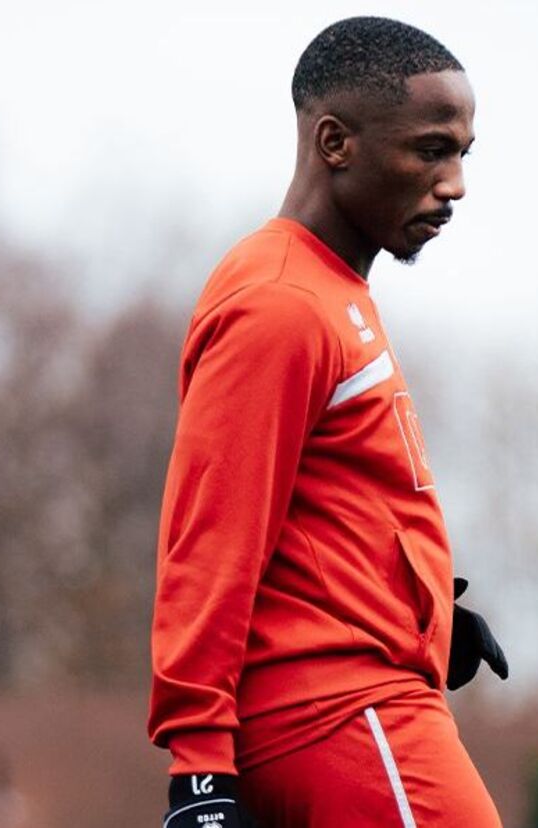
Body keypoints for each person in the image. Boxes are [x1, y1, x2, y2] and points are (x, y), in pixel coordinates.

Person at [148, 16, 508, 828]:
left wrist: (429, 617)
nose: (454, 183)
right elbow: (210, 539)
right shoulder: (280, 304)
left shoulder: (331, 290)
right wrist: (199, 773)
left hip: (371, 702)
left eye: (462, 153)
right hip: (343, 716)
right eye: (430, 149)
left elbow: (330, 510)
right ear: (336, 142)